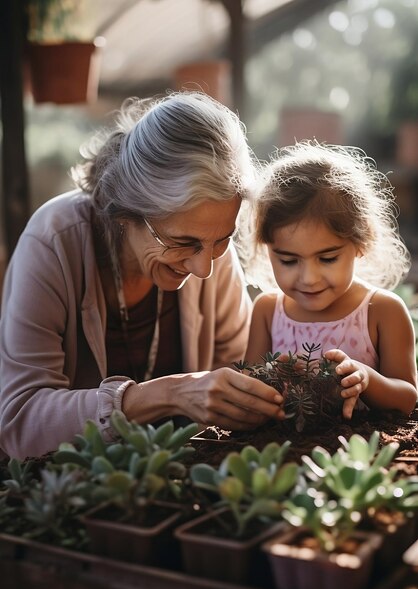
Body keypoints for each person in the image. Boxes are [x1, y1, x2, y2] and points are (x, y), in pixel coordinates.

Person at [0, 91, 285, 460]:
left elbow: (238, 369)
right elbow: (20, 423)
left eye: (222, 240)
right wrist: (167, 394)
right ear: (125, 213)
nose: (204, 268)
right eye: (182, 242)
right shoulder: (54, 241)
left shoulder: (208, 245)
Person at [244, 140, 417, 420]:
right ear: (267, 250)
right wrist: (270, 380)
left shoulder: (383, 311)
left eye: (327, 259)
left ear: (360, 243)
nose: (309, 279)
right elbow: (249, 392)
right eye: (288, 261)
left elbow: (407, 398)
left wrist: (366, 379)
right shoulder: (267, 311)